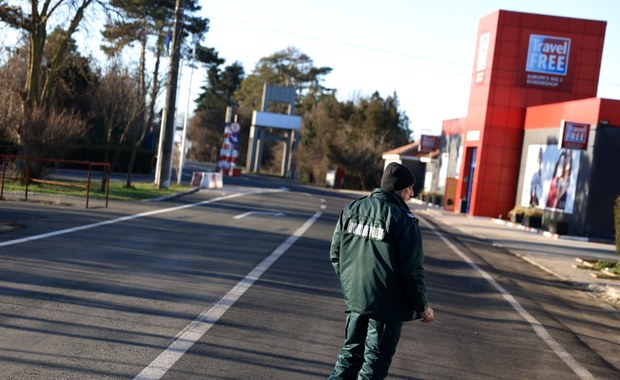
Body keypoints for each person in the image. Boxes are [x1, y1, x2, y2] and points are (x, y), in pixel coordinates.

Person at [329, 162, 434, 380]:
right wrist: (422, 306)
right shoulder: (403, 221)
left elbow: (336, 254)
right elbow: (412, 271)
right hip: (387, 307)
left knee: (349, 356)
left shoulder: (352, 208)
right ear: (399, 189)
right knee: (374, 364)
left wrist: (352, 286)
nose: (412, 194)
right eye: (409, 188)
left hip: (356, 300)